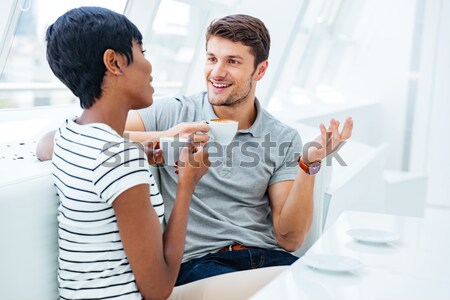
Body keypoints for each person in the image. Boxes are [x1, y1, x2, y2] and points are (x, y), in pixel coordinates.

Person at [38, 13, 353, 287]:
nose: (217, 72)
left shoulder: (282, 136)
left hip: (266, 259)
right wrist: (165, 138)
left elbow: (290, 238)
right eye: (212, 58)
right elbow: (52, 143)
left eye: (233, 61)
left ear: (260, 70)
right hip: (202, 266)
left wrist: (308, 165)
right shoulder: (171, 114)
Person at [44, 7, 209, 300]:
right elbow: (158, 289)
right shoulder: (121, 162)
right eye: (141, 51)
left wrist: (139, 148)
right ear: (115, 62)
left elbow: (44, 144)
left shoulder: (69, 134)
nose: (149, 66)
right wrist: (187, 185)